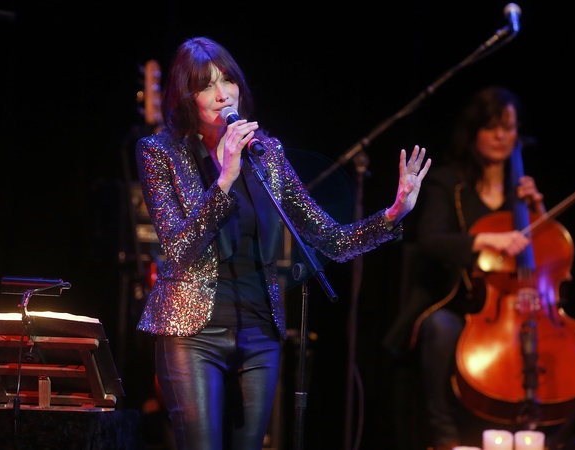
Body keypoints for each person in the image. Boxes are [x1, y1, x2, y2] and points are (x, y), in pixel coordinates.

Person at [133, 36, 431, 450]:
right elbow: (179, 247)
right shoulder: (159, 153)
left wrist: (394, 213)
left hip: (260, 333)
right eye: (205, 86)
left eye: (227, 81)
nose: (222, 94)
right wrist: (225, 179)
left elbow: (330, 239)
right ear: (186, 97)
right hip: (192, 334)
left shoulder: (266, 154)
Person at [382, 86, 575, 450]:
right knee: (440, 329)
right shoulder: (448, 183)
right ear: (474, 132)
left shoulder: (523, 193)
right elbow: (430, 240)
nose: (501, 136)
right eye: (491, 127)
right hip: (460, 303)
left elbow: (551, 257)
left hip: (525, 308)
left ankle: (558, 438)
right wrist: (486, 240)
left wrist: (540, 212)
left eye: (508, 127)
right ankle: (446, 439)